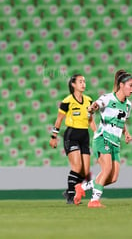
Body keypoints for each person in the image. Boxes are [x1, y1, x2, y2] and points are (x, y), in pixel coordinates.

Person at [74, 70, 132, 208]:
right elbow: (96, 105)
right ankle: (94, 201)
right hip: (103, 138)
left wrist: (126, 133)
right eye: (130, 85)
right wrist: (92, 108)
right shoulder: (108, 98)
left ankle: (82, 188)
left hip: (116, 142)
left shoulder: (128, 105)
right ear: (121, 85)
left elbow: (122, 120)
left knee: (113, 178)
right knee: (106, 169)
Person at [49, 74, 96, 204]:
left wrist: (97, 133)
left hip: (84, 135)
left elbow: (91, 119)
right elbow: (59, 120)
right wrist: (54, 137)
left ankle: (70, 189)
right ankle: (70, 194)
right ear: (73, 85)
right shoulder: (67, 101)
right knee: (77, 166)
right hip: (72, 135)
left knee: (85, 171)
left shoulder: (89, 100)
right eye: (80, 82)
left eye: (84, 81)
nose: (83, 84)